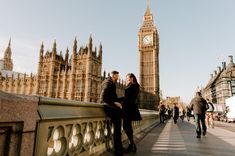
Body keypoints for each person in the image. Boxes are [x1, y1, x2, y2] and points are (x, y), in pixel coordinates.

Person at [100, 70, 123, 156]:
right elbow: (103, 97)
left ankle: (119, 147)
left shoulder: (111, 82)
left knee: (118, 128)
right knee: (117, 129)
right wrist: (114, 103)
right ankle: (117, 150)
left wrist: (122, 100)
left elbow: (114, 97)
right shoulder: (107, 83)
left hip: (112, 107)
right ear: (113, 75)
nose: (118, 78)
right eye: (117, 76)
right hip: (109, 108)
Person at [121, 73, 142, 153]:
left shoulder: (135, 86)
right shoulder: (130, 85)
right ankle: (132, 145)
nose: (127, 79)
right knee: (127, 127)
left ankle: (132, 145)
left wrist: (121, 102)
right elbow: (126, 97)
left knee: (126, 127)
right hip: (127, 107)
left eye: (128, 78)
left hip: (129, 108)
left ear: (132, 78)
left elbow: (131, 98)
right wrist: (116, 100)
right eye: (126, 78)